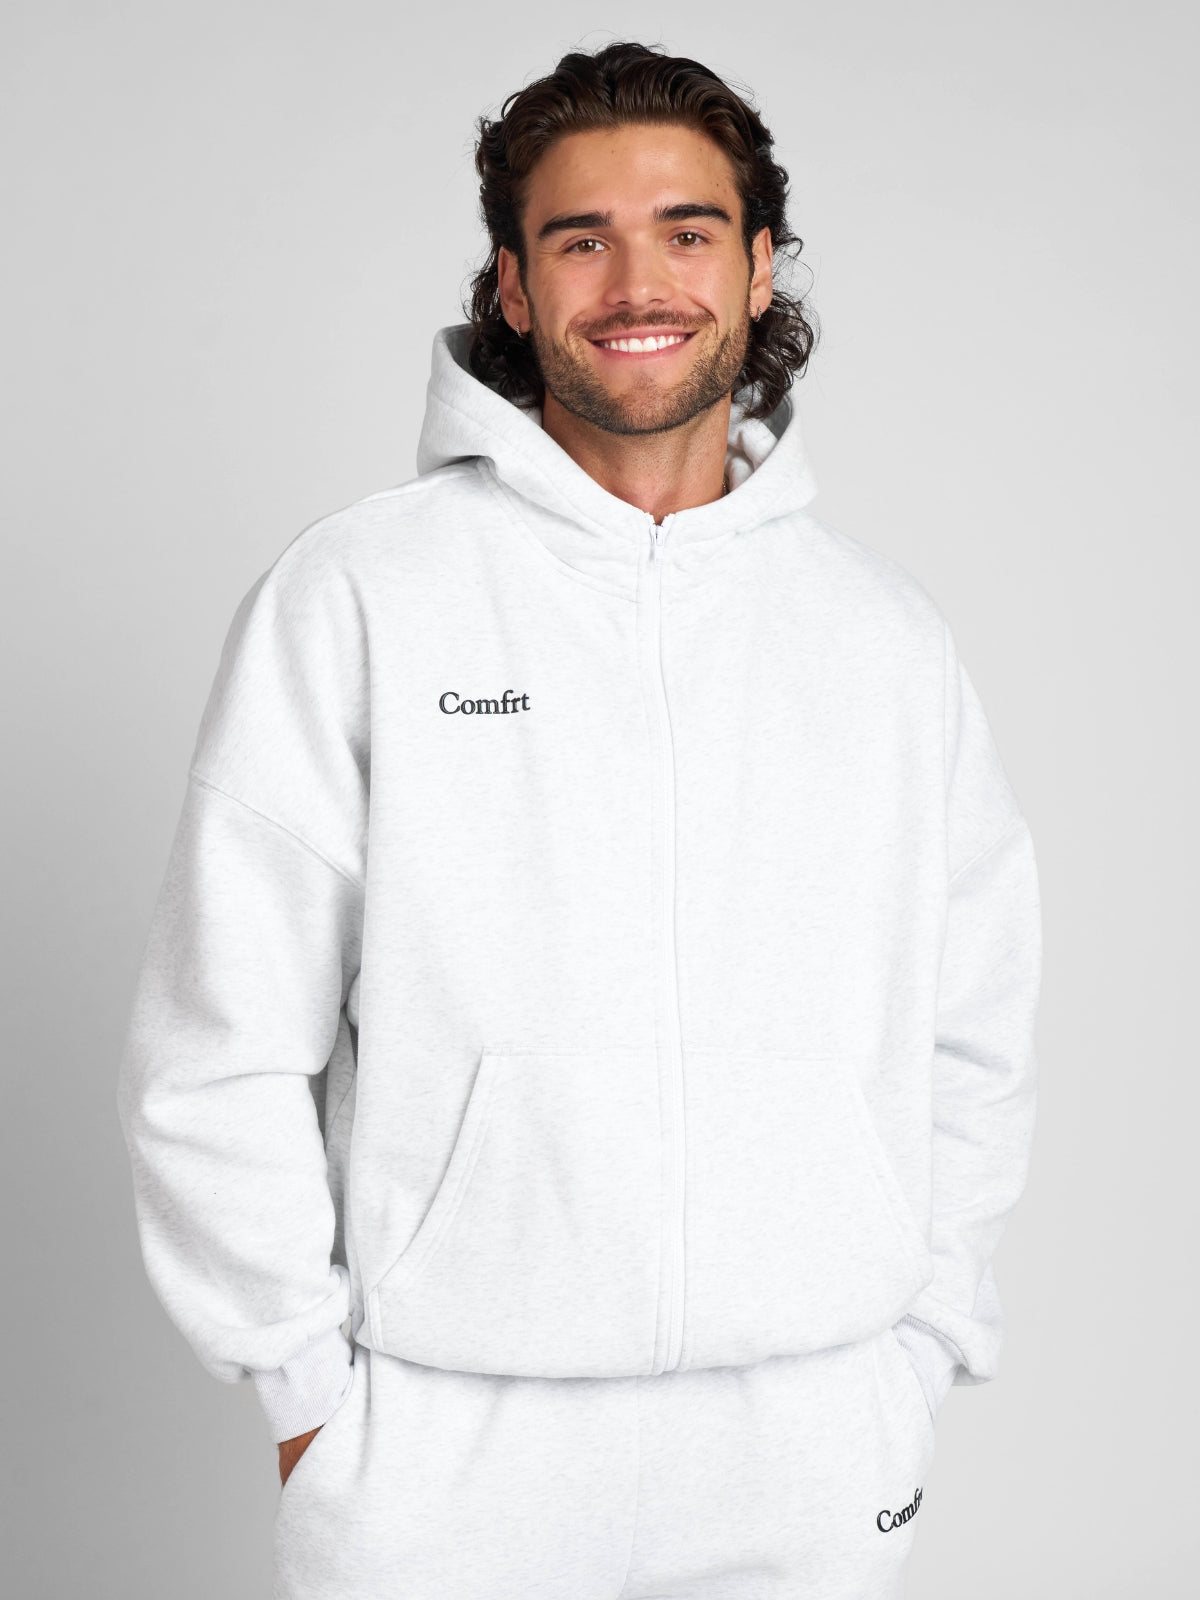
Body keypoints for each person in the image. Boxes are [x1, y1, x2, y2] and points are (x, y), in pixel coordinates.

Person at [116, 39, 1042, 1600]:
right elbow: (218, 1039)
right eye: (580, 239)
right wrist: (303, 1394)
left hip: (813, 1443)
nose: (637, 283)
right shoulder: (361, 597)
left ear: (758, 266)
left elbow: (978, 1030)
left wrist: (925, 1342)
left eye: (687, 231)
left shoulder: (883, 641)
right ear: (513, 285)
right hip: (446, 1454)